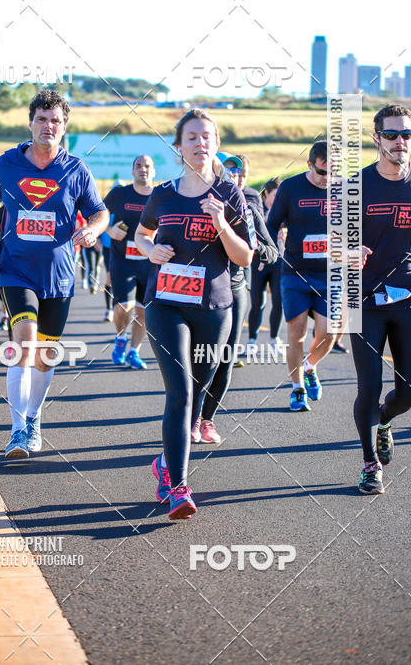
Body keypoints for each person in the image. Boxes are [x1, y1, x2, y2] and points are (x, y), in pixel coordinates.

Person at [135, 109, 254, 519]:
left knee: (199, 391)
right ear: (179, 147)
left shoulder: (230, 195)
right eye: (191, 137)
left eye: (206, 136)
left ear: (216, 144)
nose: (199, 143)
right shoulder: (164, 193)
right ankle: (179, 488)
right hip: (166, 303)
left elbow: (245, 256)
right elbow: (142, 232)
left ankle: (165, 464)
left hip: (215, 307)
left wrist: (222, 222)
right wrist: (151, 250)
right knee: (181, 391)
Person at [0, 89, 108, 459]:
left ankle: (33, 417)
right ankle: (18, 430)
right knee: (24, 340)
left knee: (46, 354)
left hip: (59, 275)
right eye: (41, 119)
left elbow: (100, 212)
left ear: (64, 127)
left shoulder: (76, 170)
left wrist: (93, 229)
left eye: (55, 121)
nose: (48, 126)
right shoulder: (7, 163)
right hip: (16, 270)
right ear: (30, 122)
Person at [352, 105, 411, 494]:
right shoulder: (356, 186)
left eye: (406, 135)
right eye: (391, 135)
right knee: (368, 385)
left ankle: (384, 420)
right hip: (362, 300)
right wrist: (345, 253)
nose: (399, 141)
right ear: (376, 139)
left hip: (410, 299)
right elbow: (331, 242)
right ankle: (370, 465)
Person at [195, 154, 277, 443]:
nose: (235, 178)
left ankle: (207, 420)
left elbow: (272, 251)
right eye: (229, 172)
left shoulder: (251, 211)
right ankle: (191, 416)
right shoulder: (199, 204)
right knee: (199, 357)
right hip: (200, 291)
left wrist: (252, 252)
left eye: (240, 174)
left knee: (224, 359)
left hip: (235, 290)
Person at [266, 141, 338, 412]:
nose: (327, 178)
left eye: (333, 172)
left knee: (328, 333)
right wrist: (271, 253)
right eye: (322, 172)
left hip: (331, 273)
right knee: (296, 333)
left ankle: (310, 366)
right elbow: (271, 225)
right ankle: (297, 389)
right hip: (295, 272)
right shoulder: (291, 188)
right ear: (310, 165)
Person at [104, 155, 155, 370]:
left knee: (143, 311)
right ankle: (120, 338)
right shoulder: (119, 194)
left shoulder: (161, 197)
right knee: (124, 306)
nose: (143, 169)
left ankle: (134, 351)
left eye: (147, 166)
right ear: (133, 171)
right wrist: (108, 229)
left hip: (150, 263)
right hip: (123, 261)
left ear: (154, 171)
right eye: (139, 166)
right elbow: (99, 215)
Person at [246, 178, 284, 357]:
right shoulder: (257, 210)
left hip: (279, 262)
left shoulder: (285, 211)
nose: (276, 200)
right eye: (274, 195)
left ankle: (274, 338)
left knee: (279, 301)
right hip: (258, 262)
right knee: (258, 303)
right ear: (266, 193)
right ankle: (252, 339)